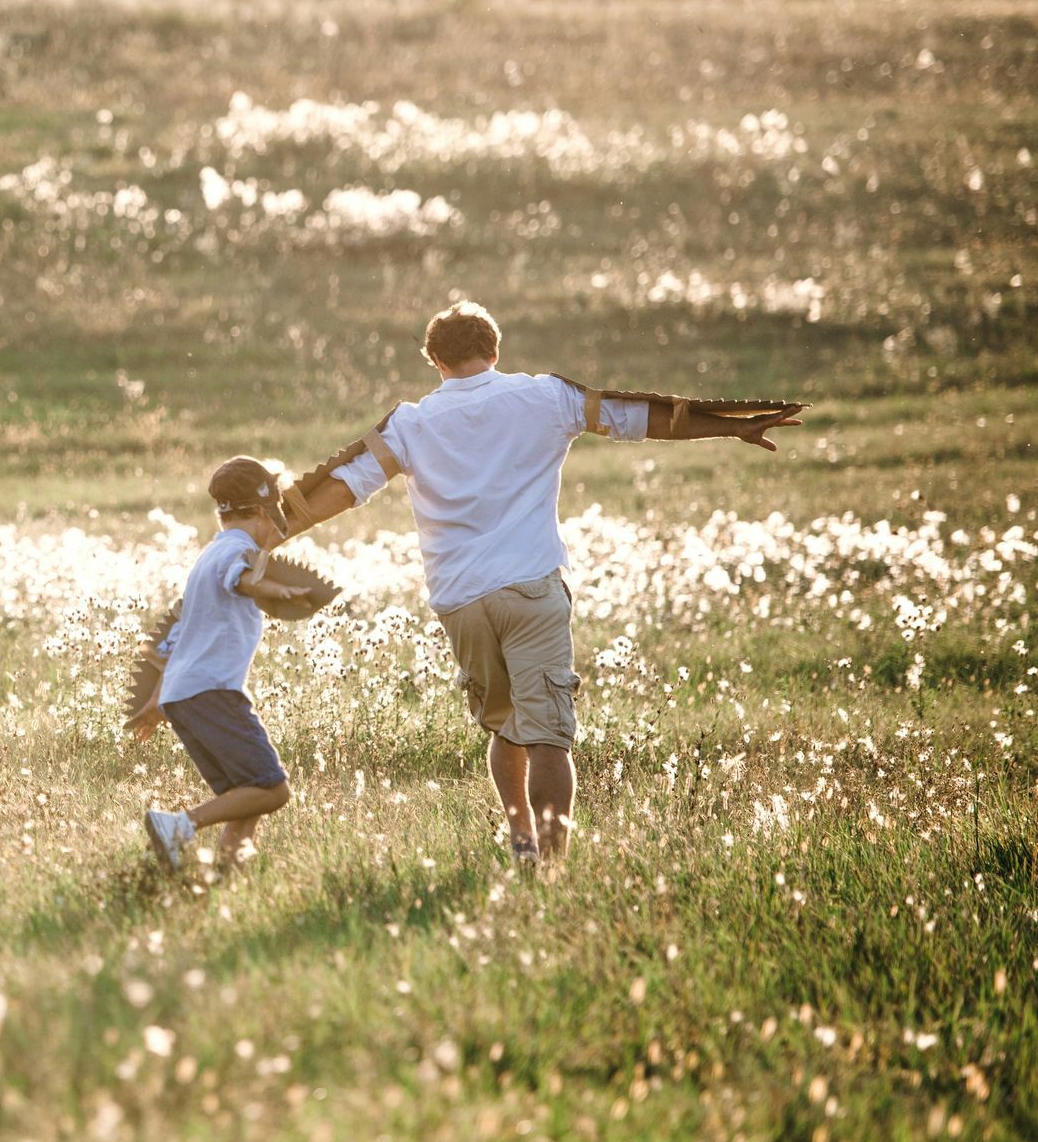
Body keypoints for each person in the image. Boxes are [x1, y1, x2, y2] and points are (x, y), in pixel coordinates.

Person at [287, 302, 800, 867]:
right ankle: (551, 868)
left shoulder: (410, 423)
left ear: (433, 360)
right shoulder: (544, 396)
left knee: (508, 724)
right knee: (549, 735)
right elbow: (640, 417)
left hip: (461, 601)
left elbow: (346, 485)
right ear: (496, 351)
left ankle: (521, 840)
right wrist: (731, 427)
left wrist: (266, 535)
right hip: (532, 589)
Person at [131, 457, 311, 871]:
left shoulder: (208, 557)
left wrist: (158, 702)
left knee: (246, 796)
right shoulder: (239, 552)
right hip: (213, 691)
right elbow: (242, 579)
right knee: (274, 791)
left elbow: (177, 639)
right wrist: (280, 591)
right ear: (266, 512)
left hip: (186, 695)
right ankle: (178, 825)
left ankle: (229, 877)